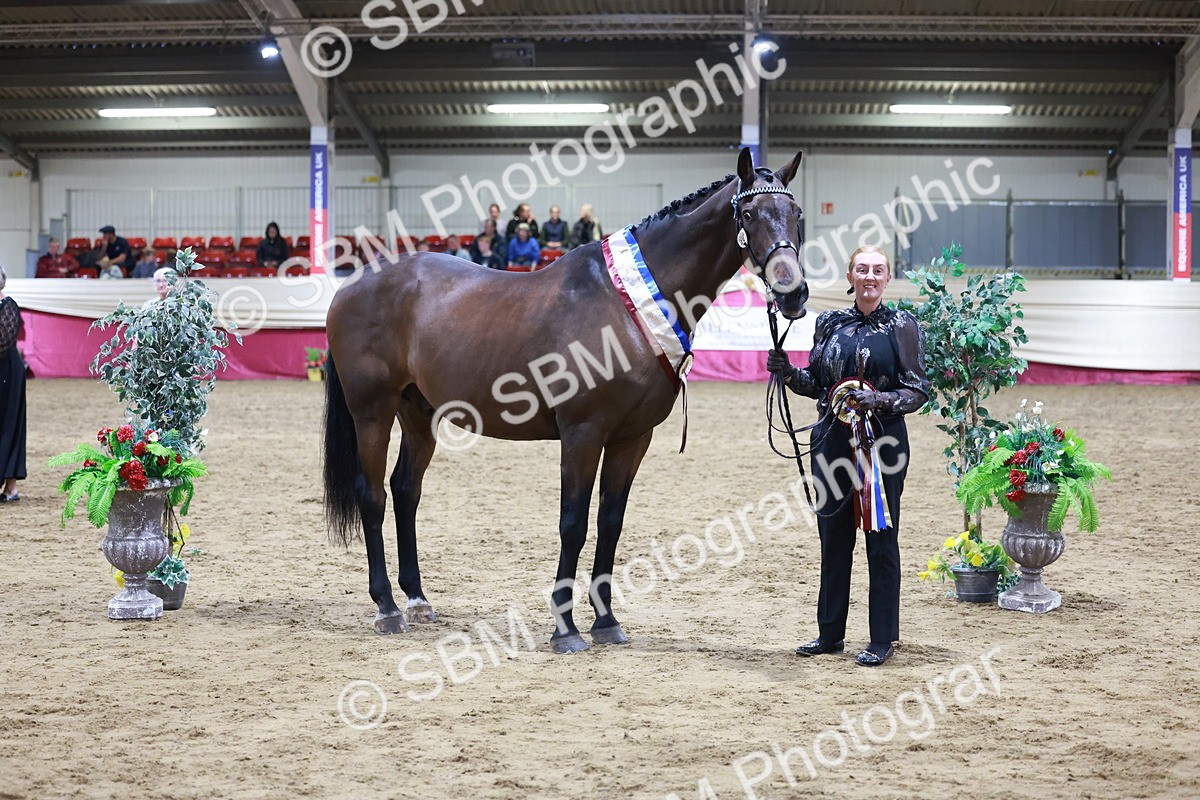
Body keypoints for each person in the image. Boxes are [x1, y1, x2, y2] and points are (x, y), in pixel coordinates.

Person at [766, 245, 929, 668]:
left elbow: (917, 391)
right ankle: (829, 634)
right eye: (862, 269)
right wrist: (787, 373)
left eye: (877, 270)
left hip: (882, 446)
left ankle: (883, 638)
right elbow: (817, 383)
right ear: (850, 276)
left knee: (880, 537)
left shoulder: (902, 325)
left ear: (887, 278)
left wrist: (877, 399)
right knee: (832, 539)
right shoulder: (829, 323)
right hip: (830, 442)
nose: (869, 277)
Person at [0, 264, 26, 503]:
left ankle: (11, 487)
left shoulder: (8, 305)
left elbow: (3, 340)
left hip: (6, 371)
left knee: (9, 423)